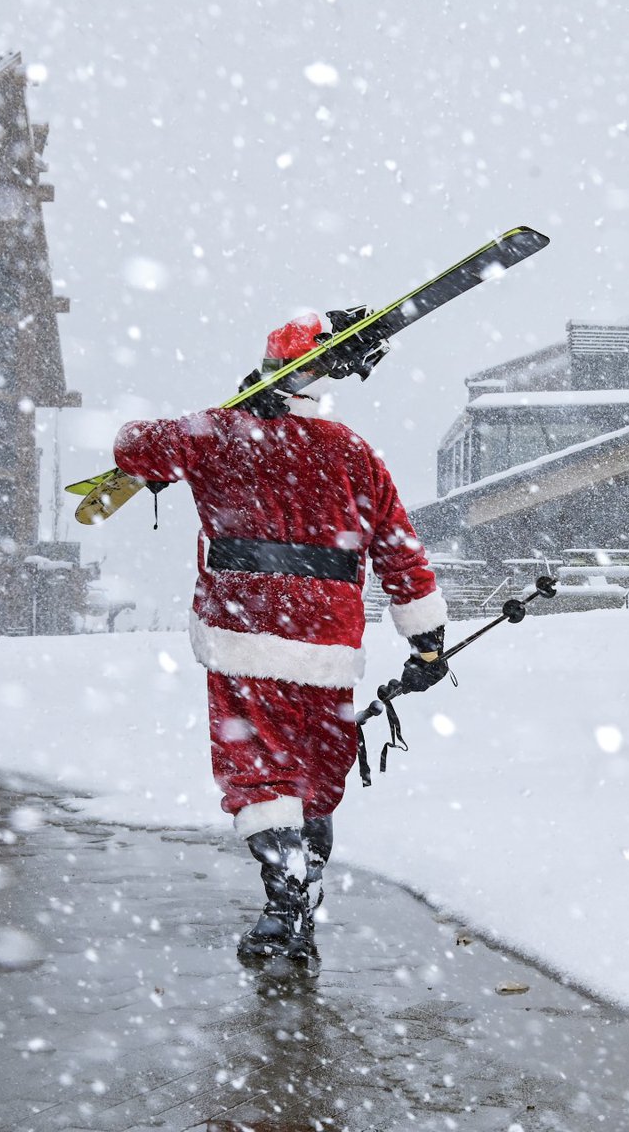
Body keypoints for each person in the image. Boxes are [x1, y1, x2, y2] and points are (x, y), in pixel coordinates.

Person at [113, 308, 448, 966]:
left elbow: (132, 446)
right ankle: (304, 903)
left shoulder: (216, 433)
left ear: (266, 370)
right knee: (318, 778)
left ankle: (284, 901)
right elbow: (399, 547)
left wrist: (222, 411)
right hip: (330, 641)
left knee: (264, 774)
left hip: (245, 633)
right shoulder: (353, 451)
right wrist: (427, 639)